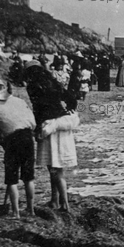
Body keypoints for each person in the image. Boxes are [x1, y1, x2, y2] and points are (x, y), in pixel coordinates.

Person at [24, 61, 78, 212]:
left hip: (48, 126)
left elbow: (38, 110)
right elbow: (72, 99)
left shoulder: (33, 87)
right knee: (56, 166)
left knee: (53, 167)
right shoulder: (53, 83)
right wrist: (68, 111)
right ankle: (56, 200)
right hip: (61, 124)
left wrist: (37, 131)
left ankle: (64, 203)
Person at [0, 78, 36, 218]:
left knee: (11, 179)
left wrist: (3, 143)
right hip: (28, 137)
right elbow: (32, 122)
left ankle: (16, 213)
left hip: (12, 140)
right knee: (28, 177)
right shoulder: (20, 101)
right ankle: (31, 210)